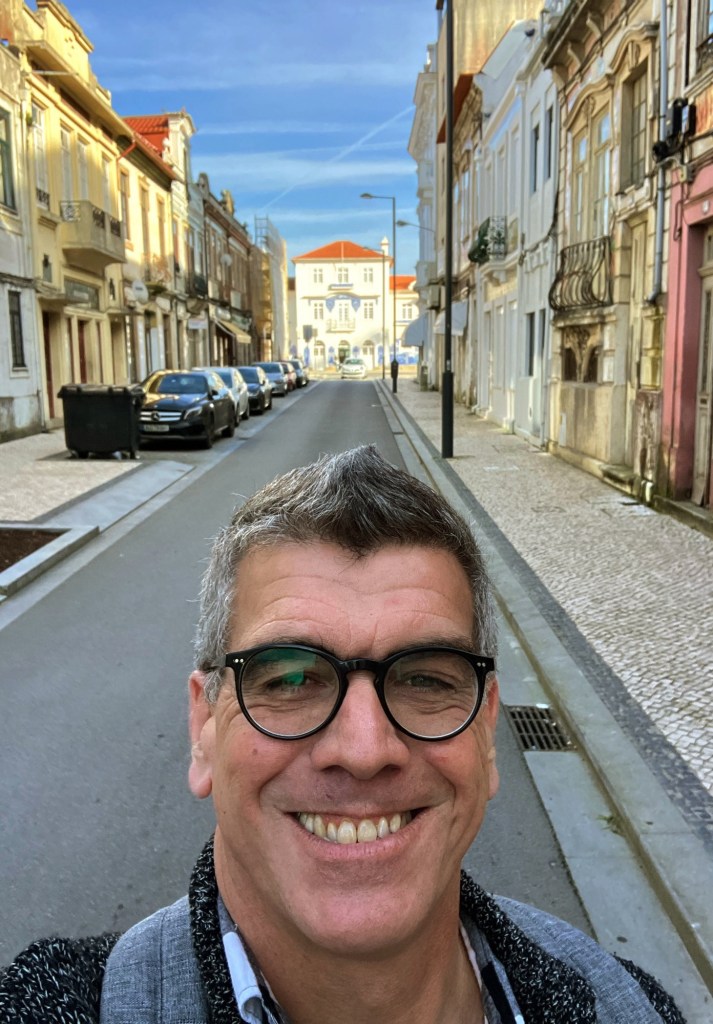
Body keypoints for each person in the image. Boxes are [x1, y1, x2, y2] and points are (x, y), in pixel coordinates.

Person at [1, 446, 683, 1023]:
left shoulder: (628, 1004)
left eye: (425, 679)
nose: (364, 750)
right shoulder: (57, 1005)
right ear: (204, 727)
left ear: (484, 730)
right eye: (290, 680)